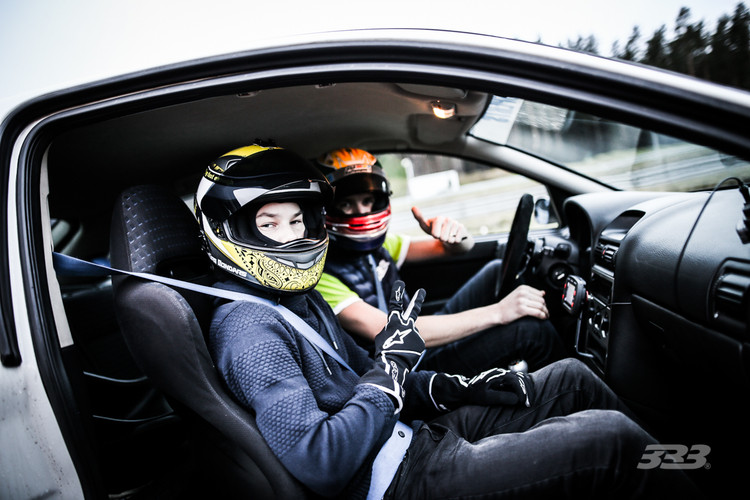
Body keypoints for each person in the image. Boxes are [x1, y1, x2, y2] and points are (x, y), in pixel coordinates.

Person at [195, 144, 701, 499]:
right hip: (398, 481)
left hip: (408, 434)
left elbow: (368, 377)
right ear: (229, 229)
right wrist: (392, 370)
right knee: (609, 440)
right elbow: (322, 462)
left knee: (571, 380)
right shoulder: (248, 329)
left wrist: (455, 387)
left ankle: (686, 460)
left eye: (297, 220)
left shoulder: (298, 300)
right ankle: (685, 470)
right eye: (268, 224)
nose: (291, 237)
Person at [315, 147, 564, 376]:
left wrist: (454, 235)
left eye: (368, 201)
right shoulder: (321, 274)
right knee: (531, 332)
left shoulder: (382, 247)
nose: (361, 212)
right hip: (403, 371)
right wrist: (500, 312)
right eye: (346, 204)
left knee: (495, 271)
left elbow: (458, 249)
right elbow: (392, 332)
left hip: (419, 348)